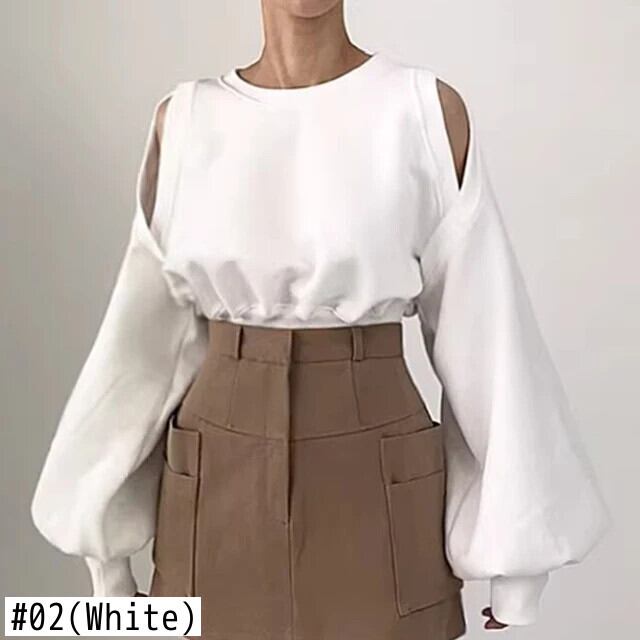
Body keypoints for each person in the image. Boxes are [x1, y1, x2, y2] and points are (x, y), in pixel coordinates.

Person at [30, 1, 611, 638]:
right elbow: (142, 346)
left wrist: (519, 563)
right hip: (215, 485)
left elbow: (487, 334)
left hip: (378, 487)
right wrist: (104, 559)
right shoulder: (187, 120)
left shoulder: (422, 111)